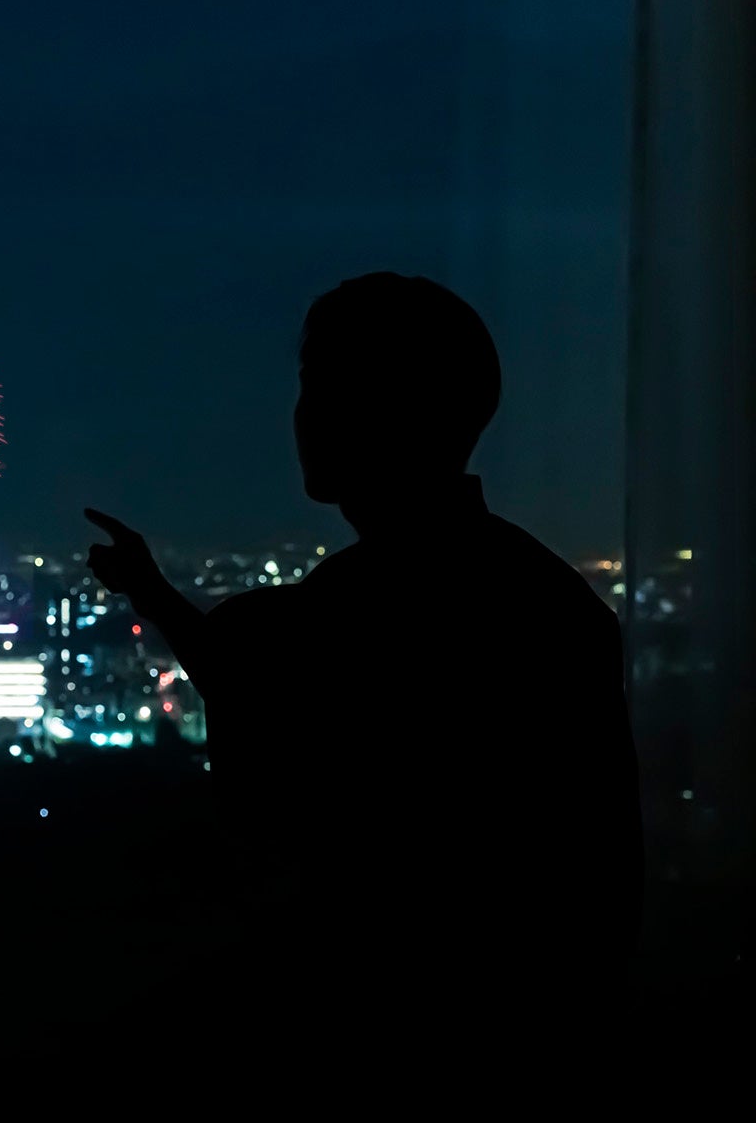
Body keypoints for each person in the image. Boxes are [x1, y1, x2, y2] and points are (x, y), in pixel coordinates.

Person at [84, 273, 640, 1024]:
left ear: (397, 407)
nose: (305, 414)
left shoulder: (368, 601)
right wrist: (153, 592)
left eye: (328, 383)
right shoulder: (537, 596)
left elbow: (273, 725)